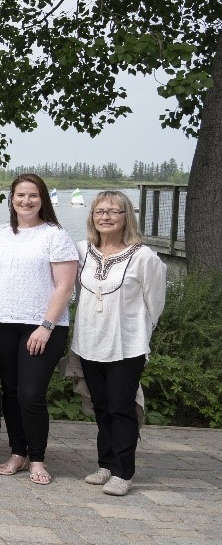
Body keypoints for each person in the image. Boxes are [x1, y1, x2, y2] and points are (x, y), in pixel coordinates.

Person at [69, 191, 166, 497]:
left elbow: (155, 306)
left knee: (122, 407)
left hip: (126, 345)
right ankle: (106, 463)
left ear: (127, 217)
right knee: (102, 406)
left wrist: (139, 336)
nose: (106, 217)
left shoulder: (143, 257)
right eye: (100, 211)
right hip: (88, 342)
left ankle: (124, 471)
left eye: (114, 211)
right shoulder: (83, 250)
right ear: (92, 217)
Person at [0, 172, 77, 486]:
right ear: (11, 199)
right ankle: (17, 453)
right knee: (11, 391)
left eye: (33, 196)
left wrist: (46, 326)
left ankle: (37, 458)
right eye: (20, 195)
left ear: (43, 200)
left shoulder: (55, 235)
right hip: (1, 324)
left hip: (42, 327)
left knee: (31, 393)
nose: (26, 201)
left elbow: (65, 286)